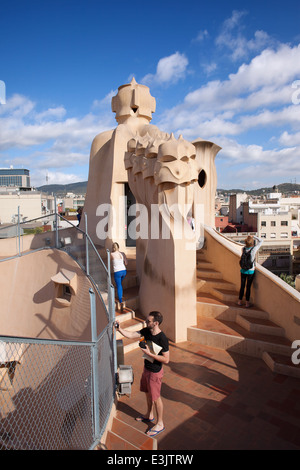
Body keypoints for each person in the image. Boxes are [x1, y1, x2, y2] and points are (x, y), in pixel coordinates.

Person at [115, 311, 169, 437]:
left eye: (148, 321)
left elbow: (166, 359)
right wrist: (119, 329)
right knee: (147, 393)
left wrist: (149, 354)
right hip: (147, 369)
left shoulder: (162, 338)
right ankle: (149, 415)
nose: (145, 322)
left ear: (156, 323)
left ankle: (160, 423)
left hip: (155, 372)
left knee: (156, 398)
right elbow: (131, 334)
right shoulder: (146, 331)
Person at [238, 235, 263, 308]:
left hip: (243, 270)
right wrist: (254, 236)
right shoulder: (254, 250)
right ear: (252, 243)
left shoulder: (243, 249)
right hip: (250, 271)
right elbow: (261, 241)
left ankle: (239, 301)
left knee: (242, 286)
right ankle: (247, 303)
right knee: (248, 287)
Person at [111, 242, 128, 311]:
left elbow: (109, 262)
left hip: (117, 272)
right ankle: (120, 293)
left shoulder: (111, 254)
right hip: (124, 271)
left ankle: (120, 300)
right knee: (119, 284)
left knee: (119, 285)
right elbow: (126, 263)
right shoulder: (122, 253)